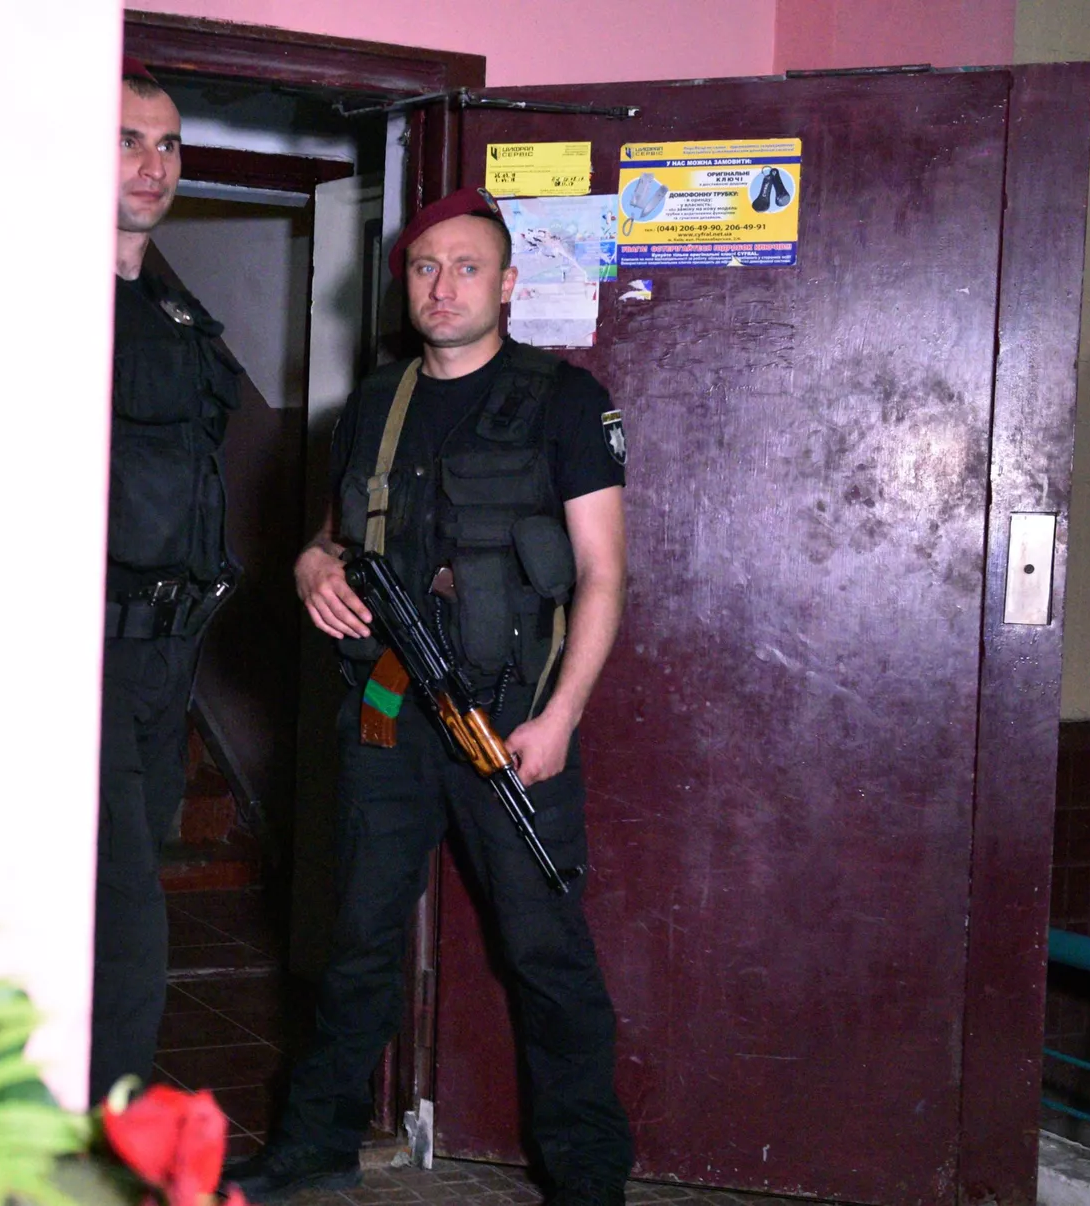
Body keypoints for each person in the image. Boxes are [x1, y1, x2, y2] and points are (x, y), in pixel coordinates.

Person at [225, 187, 635, 1206]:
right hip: (388, 713)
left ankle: (587, 1176)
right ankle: (316, 1144)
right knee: (355, 941)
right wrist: (310, 565)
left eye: (465, 267)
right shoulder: (375, 403)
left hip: (513, 719)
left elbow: (603, 574)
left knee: (545, 951)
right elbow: (333, 538)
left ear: (508, 284)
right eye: (423, 267)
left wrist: (561, 718)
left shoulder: (564, 401)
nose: (441, 286)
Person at [92, 57, 241, 1104]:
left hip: (166, 655)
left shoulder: (178, 310)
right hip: (80, 652)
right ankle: (111, 1134)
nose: (153, 164)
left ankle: (95, 1119)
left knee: (128, 889)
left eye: (168, 143)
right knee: (127, 915)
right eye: (127, 140)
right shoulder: (53, 300)